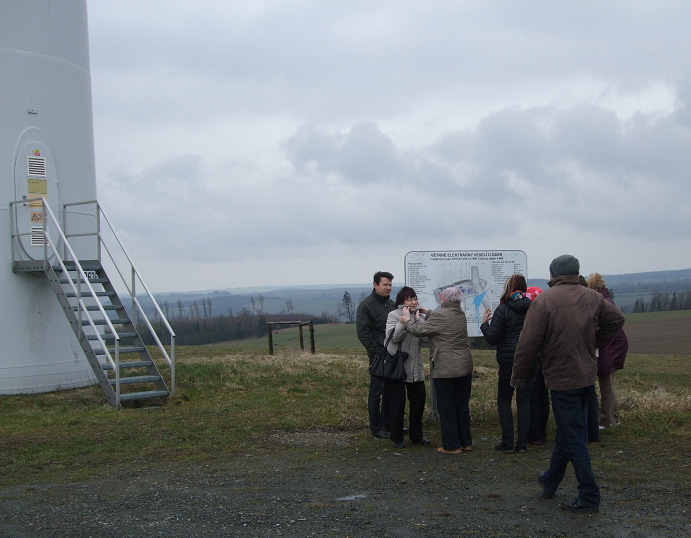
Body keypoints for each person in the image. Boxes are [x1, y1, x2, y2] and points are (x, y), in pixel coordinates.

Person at [511, 255, 625, 513]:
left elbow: (527, 344)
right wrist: (594, 343)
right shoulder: (593, 297)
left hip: (562, 379)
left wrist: (518, 376)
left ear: (553, 275)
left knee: (574, 438)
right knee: (567, 430)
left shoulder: (544, 302)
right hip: (586, 375)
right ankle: (551, 480)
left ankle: (589, 495)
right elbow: (617, 319)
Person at [400, 286, 473, 454]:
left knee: (446, 407)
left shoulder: (441, 315)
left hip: (446, 367)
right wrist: (427, 311)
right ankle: (466, 442)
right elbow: (443, 319)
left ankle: (452, 445)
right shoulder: (460, 314)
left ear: (444, 299)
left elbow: (419, 330)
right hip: (465, 366)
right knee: (462, 405)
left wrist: (407, 320)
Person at [480, 274, 535, 454]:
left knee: (504, 400)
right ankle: (522, 444)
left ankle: (508, 443)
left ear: (508, 288)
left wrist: (484, 324)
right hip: (530, 358)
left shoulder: (503, 310)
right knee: (524, 400)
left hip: (508, 361)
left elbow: (492, 338)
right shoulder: (533, 308)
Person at [384, 287, 431, 449]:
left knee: (418, 404)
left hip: (415, 368)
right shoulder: (393, 315)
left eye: (415, 298)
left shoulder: (420, 316)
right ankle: (396, 437)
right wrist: (403, 321)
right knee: (397, 404)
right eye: (409, 299)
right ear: (401, 301)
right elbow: (394, 338)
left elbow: (426, 338)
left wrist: (417, 320)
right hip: (397, 368)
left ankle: (417, 436)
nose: (414, 302)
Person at [356, 271, 396, 439]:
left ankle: (389, 425)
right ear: (375, 285)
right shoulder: (366, 306)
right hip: (378, 356)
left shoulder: (391, 304)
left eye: (390, 285)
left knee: (391, 391)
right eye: (385, 285)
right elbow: (363, 332)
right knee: (376, 392)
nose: (388, 288)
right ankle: (377, 428)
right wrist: (377, 352)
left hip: (393, 353)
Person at [587, 273, 629, 429]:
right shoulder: (607, 300)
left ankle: (606, 420)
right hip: (613, 346)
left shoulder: (602, 303)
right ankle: (614, 417)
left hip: (609, 347)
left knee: (606, 385)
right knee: (610, 384)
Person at [524, 287, 549, 446]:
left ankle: (534, 434)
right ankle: (542, 432)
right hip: (545, 359)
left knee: (532, 397)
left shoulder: (529, 317)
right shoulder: (546, 313)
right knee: (543, 396)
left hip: (533, 359)